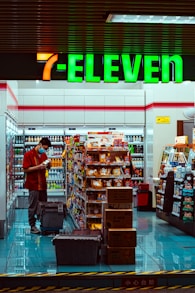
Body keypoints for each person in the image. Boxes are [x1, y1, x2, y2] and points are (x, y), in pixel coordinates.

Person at [23, 137, 52, 234]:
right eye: (44, 148)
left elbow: (47, 167)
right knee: (33, 206)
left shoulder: (43, 155)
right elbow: (26, 169)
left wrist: (49, 165)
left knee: (44, 205)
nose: (44, 150)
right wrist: (38, 167)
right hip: (33, 185)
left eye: (46, 149)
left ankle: (44, 224)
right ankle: (32, 226)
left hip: (42, 185)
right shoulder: (28, 155)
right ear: (39, 144)